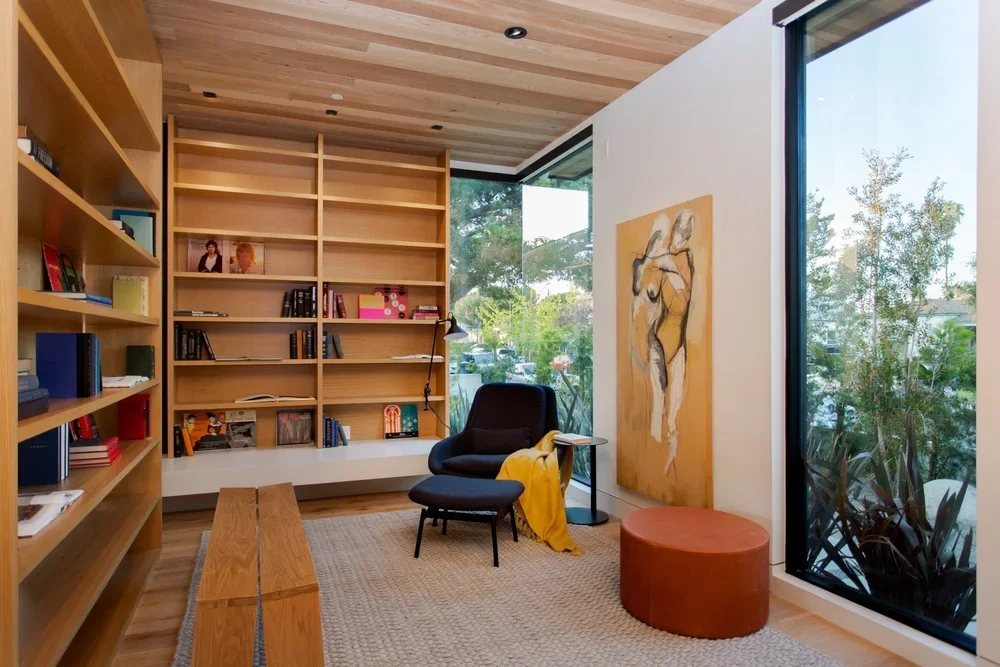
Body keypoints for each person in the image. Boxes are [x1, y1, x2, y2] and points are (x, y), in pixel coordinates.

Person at [630, 209, 694, 474]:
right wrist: (652, 263)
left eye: (683, 231)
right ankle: (658, 458)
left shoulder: (680, 261)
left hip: (675, 344)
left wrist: (660, 262)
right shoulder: (648, 266)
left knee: (672, 417)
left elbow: (680, 297)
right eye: (662, 233)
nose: (677, 237)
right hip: (659, 339)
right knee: (658, 407)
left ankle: (670, 459)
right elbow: (642, 291)